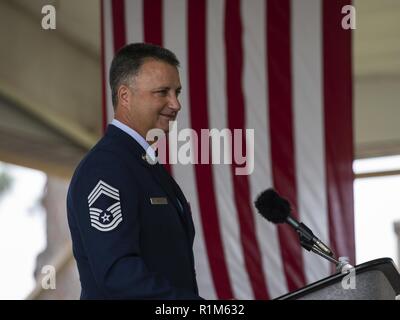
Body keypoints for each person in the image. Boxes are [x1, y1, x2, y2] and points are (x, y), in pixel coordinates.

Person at [67, 43, 202, 299]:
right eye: (162, 92)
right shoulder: (106, 167)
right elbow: (118, 274)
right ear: (125, 96)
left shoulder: (142, 164)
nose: (176, 104)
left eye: (177, 92)